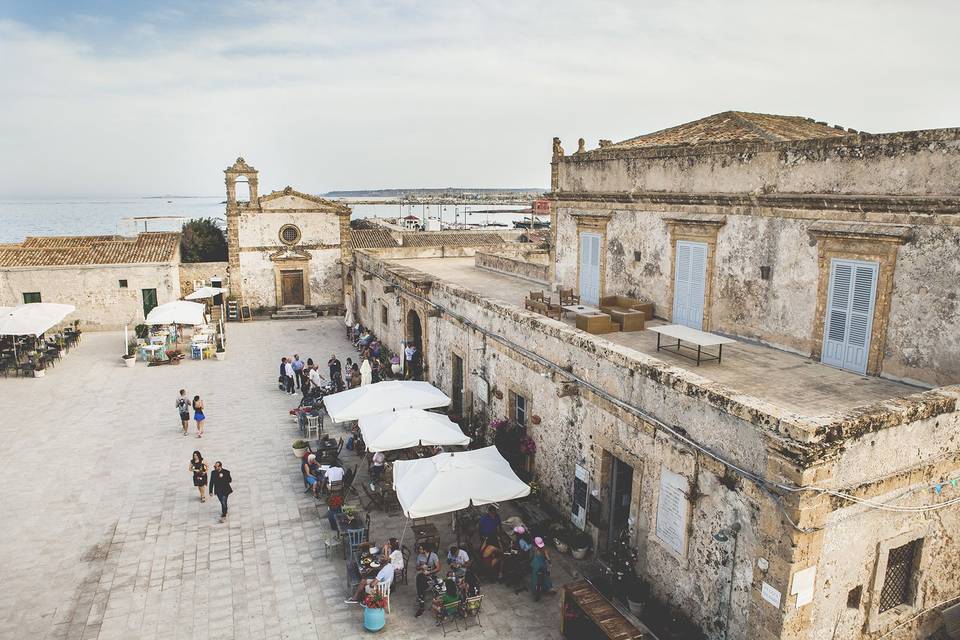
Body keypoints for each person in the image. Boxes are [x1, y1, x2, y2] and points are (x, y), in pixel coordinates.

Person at [414, 543, 441, 617]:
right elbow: (417, 567)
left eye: (421, 549)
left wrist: (429, 572)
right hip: (423, 574)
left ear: (425, 549)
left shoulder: (433, 556)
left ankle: (421, 599)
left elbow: (438, 568)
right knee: (419, 578)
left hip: (431, 575)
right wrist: (421, 567)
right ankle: (421, 598)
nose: (419, 550)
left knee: (421, 583)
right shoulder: (419, 556)